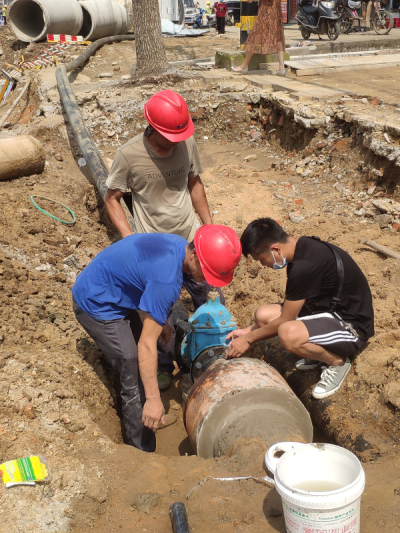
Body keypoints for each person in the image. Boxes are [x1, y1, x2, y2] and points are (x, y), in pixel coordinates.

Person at [72, 225, 241, 452]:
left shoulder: (179, 247)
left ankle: (148, 418)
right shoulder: (166, 281)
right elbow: (146, 344)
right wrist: (153, 399)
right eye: (207, 273)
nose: (205, 280)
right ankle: (141, 450)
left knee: (142, 358)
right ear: (194, 255)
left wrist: (161, 321)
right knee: (131, 362)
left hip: (114, 289)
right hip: (97, 302)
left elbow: (146, 278)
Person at [105, 89, 219, 391]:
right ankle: (166, 365)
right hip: (155, 253)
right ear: (153, 126)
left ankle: (212, 355)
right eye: (170, 136)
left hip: (190, 241)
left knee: (211, 299)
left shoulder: (187, 142)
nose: (175, 141)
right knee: (161, 317)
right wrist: (129, 239)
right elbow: (112, 198)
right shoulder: (129, 155)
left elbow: (194, 183)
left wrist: (209, 227)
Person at [225, 218, 374, 399]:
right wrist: (248, 331)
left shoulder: (304, 267)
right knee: (262, 315)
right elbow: (290, 310)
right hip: (326, 311)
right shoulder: (300, 247)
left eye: (261, 259)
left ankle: (338, 361)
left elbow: (286, 319)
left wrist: (249, 339)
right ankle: (317, 351)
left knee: (287, 334)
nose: (263, 265)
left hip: (351, 327)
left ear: (275, 249)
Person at [232, 0, 286, 76]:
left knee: (255, 35)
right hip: (276, 11)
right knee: (278, 36)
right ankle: (281, 67)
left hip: (266, 11)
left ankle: (244, 66)